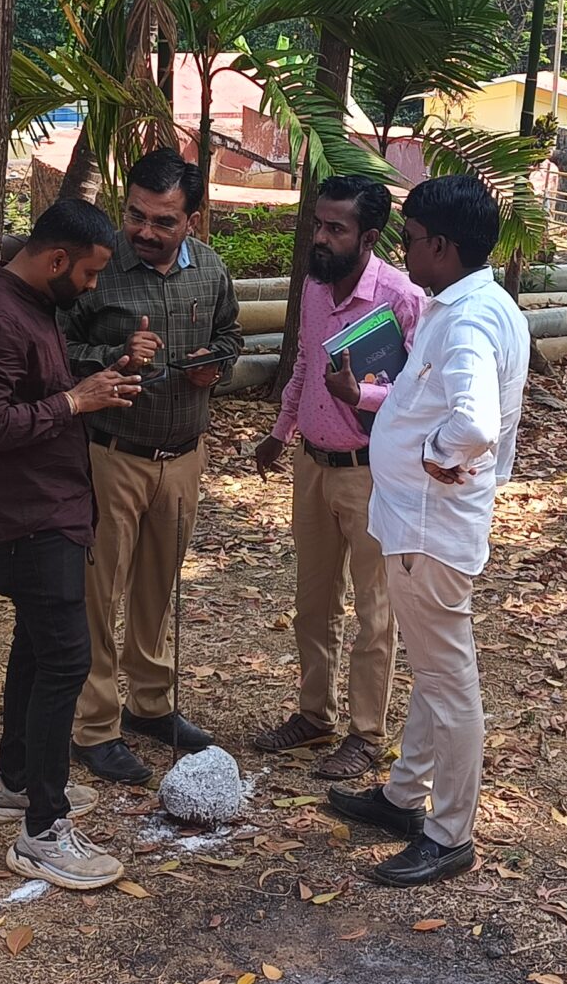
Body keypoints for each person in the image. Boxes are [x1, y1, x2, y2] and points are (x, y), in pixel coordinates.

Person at [322, 174, 527, 887]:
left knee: (447, 679)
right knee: (433, 668)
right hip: (423, 521)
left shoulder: (468, 321)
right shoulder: (475, 304)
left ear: (442, 245)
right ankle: (405, 795)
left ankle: (450, 832)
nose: (401, 251)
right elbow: (428, 400)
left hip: (429, 525)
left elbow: (473, 422)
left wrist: (439, 454)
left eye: (408, 240)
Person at [0, 199, 145, 891]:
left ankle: (17, 781)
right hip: (26, 519)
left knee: (36, 647)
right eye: (88, 273)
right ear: (57, 259)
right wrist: (74, 403)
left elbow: (38, 389)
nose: (92, 286)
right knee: (66, 661)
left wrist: (96, 382)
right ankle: (43, 831)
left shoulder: (30, 303)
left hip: (51, 508)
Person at [59, 148, 244, 784]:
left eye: (163, 221)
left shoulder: (210, 269)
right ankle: (94, 726)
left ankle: (151, 705)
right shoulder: (100, 266)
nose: (144, 230)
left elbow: (230, 336)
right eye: (136, 214)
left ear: (192, 220)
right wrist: (115, 353)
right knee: (98, 593)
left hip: (184, 456)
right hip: (111, 454)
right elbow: (56, 346)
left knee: (158, 588)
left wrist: (214, 364)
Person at [248, 175, 424, 779]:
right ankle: (313, 715)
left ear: (368, 237)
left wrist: (362, 396)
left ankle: (366, 734)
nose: (319, 238)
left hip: (373, 473)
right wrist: (281, 431)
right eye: (317, 225)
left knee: (375, 611)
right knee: (313, 601)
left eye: (335, 229)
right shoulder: (315, 288)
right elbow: (304, 360)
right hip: (313, 465)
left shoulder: (401, 298)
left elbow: (423, 394)